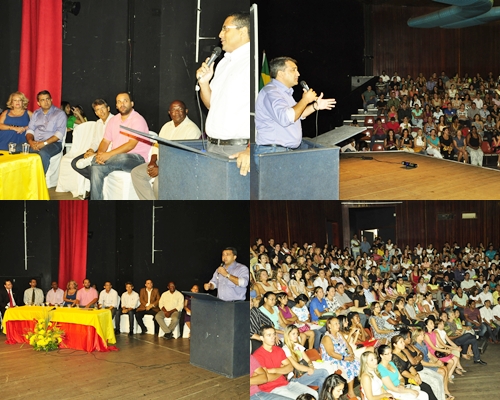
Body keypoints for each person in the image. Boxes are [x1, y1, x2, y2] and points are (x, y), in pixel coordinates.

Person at [253, 56, 336, 170]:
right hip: (273, 153)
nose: (298, 73)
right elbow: (286, 118)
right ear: (281, 73)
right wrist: (305, 100)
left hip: (282, 152)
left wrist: (315, 106)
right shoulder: (271, 92)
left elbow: (298, 114)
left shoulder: (285, 93)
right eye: (293, 70)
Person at [196, 12, 250, 176]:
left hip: (238, 150)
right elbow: (211, 105)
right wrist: (204, 83)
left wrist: (251, 149)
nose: (220, 35)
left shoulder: (253, 62)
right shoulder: (223, 63)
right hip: (213, 147)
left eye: (225, 29)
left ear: (242, 31)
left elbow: (266, 109)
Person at [131, 100, 201, 199]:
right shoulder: (166, 126)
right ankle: (151, 203)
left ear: (186, 111)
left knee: (158, 184)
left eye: (180, 109)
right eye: (173, 110)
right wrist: (153, 162)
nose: (176, 112)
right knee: (136, 173)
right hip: (162, 162)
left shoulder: (192, 129)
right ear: (169, 113)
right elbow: (156, 146)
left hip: (179, 166)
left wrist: (162, 169)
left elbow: (185, 158)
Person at [88, 92, 151, 199]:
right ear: (116, 106)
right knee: (96, 168)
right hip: (116, 160)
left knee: (122, 157)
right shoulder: (113, 120)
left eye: (125, 101)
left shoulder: (138, 119)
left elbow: (131, 145)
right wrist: (99, 155)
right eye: (119, 102)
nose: (122, 104)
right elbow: (105, 141)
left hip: (136, 160)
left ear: (132, 103)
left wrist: (108, 155)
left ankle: (95, 160)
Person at [252, 325, 319, 399]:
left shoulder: (279, 350)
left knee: (314, 394)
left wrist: (273, 371)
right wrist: (282, 370)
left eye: (274, 334)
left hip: (287, 384)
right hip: (272, 389)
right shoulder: (257, 355)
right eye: (269, 335)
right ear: (262, 338)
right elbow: (266, 378)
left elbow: (290, 367)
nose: (273, 337)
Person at [71, 99, 113, 184]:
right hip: (98, 151)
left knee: (92, 167)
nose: (101, 112)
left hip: (110, 153)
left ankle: (96, 185)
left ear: (108, 108)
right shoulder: (98, 123)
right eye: (98, 110)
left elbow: (113, 144)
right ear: (96, 113)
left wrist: (95, 154)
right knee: (74, 163)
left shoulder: (115, 121)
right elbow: (95, 141)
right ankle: (99, 181)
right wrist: (90, 150)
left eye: (103, 108)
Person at [25, 90, 67, 173]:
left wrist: (43, 143)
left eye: (47, 99)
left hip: (53, 144)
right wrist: (31, 142)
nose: (46, 102)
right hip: (36, 142)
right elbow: (30, 130)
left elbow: (59, 134)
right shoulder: (36, 113)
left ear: (51, 100)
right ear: (38, 103)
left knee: (43, 153)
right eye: (42, 100)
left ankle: (40, 178)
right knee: (17, 149)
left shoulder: (59, 114)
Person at [320, 317, 361, 399]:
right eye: (336, 324)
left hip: (343, 356)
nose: (338, 325)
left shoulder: (339, 334)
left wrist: (351, 354)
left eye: (338, 323)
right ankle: (350, 392)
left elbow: (347, 345)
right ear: (329, 325)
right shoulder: (327, 337)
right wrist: (346, 358)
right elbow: (331, 353)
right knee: (348, 366)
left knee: (359, 362)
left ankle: (363, 385)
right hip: (333, 360)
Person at [282, 325, 330, 393]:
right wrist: (308, 369)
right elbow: (296, 366)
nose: (296, 336)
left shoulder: (298, 346)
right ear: (287, 335)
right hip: (295, 378)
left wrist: (311, 367)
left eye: (297, 333)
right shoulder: (285, 349)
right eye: (293, 334)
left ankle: (323, 396)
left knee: (322, 381)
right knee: (323, 372)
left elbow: (308, 360)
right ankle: (331, 394)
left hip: (304, 373)